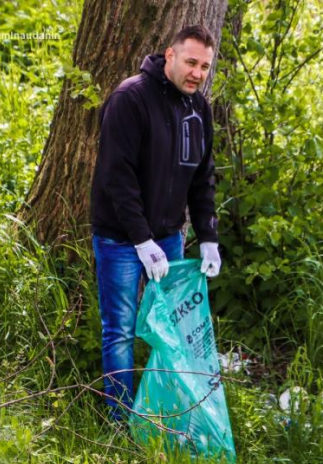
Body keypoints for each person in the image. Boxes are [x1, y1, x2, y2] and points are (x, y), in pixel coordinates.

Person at [90, 26, 222, 420]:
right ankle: (119, 421)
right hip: (120, 239)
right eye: (191, 62)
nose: (197, 73)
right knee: (120, 330)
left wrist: (208, 236)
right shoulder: (130, 99)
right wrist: (140, 239)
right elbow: (117, 176)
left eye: (204, 66)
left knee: (174, 330)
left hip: (168, 238)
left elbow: (202, 177)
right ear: (170, 55)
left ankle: (169, 415)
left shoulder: (199, 109)